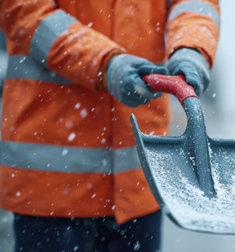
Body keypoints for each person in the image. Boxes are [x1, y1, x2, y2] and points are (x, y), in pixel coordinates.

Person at [0, 0, 220, 251]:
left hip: (138, 183)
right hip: (50, 187)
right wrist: (104, 63)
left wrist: (191, 47)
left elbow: (195, 5)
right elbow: (24, 9)